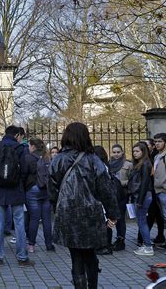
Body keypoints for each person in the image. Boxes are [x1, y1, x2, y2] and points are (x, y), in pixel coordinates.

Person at [48, 122, 119, 289]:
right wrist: (113, 214)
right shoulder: (93, 160)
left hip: (67, 214)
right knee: (90, 255)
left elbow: (51, 190)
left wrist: (58, 207)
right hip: (91, 215)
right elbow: (106, 189)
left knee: (76, 258)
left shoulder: (57, 160)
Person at [0, 125, 33, 267]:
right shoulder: (20, 148)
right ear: (17, 135)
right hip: (16, 189)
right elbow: (24, 170)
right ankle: (22, 257)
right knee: (19, 224)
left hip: (0, 189)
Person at [25, 138, 54, 253]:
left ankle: (31, 245)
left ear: (33, 146)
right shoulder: (47, 157)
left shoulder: (28, 158)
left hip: (33, 189)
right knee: (47, 219)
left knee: (34, 219)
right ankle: (49, 244)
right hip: (46, 190)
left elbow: (24, 174)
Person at [128, 142, 154, 256]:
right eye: (133, 151)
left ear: (143, 152)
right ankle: (146, 245)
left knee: (142, 222)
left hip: (142, 196)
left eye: (137, 151)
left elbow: (144, 183)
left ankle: (148, 247)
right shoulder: (140, 163)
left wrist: (139, 200)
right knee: (141, 221)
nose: (135, 153)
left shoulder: (145, 163)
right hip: (139, 196)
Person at [109, 144, 132, 251]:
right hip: (111, 195)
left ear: (122, 152)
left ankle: (121, 239)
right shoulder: (109, 164)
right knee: (111, 217)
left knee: (121, 218)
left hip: (123, 194)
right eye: (114, 152)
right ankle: (112, 239)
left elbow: (132, 180)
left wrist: (120, 183)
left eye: (118, 152)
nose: (116, 154)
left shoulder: (128, 164)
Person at [94, 146, 115, 256]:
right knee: (106, 222)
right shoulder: (105, 165)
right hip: (106, 198)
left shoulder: (101, 167)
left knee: (105, 222)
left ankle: (106, 246)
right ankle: (106, 245)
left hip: (102, 199)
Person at [153, 133, 166, 252]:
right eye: (156, 141)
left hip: (165, 191)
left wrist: (165, 187)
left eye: (160, 141)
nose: (157, 144)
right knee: (165, 218)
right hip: (159, 191)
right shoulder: (158, 156)